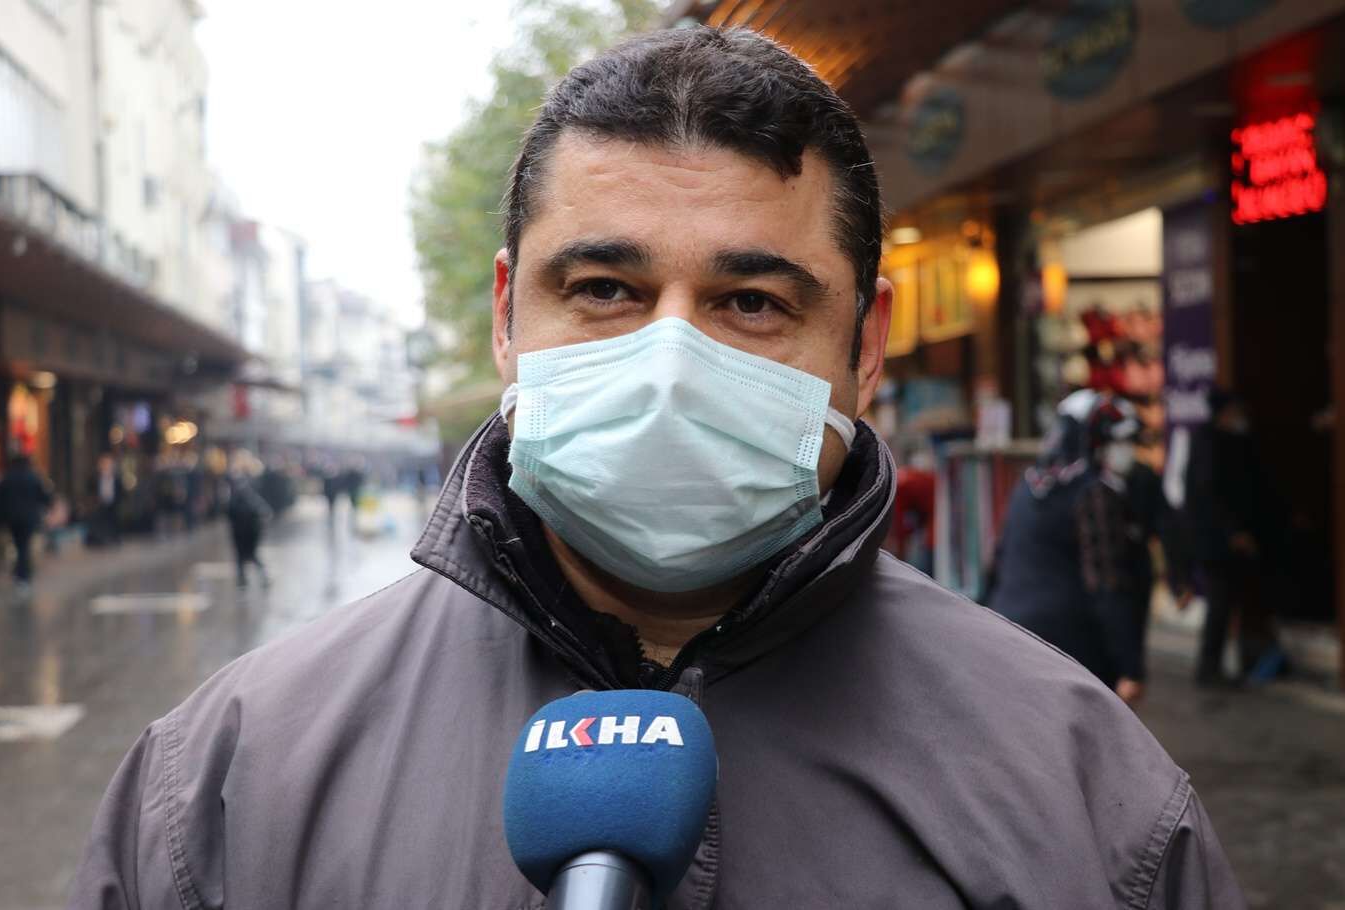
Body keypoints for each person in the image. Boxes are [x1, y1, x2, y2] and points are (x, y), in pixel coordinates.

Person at [69, 28, 1242, 908]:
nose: (670, 366)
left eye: (751, 301)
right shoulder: (226, 784)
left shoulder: (1091, 803)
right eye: (604, 289)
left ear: (867, 342)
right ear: (506, 314)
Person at [988, 395, 1150, 700]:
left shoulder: (1027, 485)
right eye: (1116, 441)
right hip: (1070, 649)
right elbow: (1106, 583)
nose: (1126, 451)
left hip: (1009, 634)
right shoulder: (1093, 493)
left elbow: (996, 564)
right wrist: (1131, 666)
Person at [1185, 388, 1277, 686]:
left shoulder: (1228, 442)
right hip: (1216, 543)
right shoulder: (1210, 445)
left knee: (1229, 603)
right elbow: (1211, 495)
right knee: (1220, 605)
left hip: (1223, 541)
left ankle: (1229, 663)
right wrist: (1233, 532)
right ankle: (1209, 668)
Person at [0, 452, 52, 592]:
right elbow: (45, 497)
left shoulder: (7, 477)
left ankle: (19, 573)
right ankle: (23, 576)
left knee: (19, 545)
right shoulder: (33, 477)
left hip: (12, 518)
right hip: (29, 518)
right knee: (24, 546)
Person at [225, 467, 272, 589]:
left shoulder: (237, 498)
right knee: (249, 556)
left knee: (244, 557)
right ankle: (246, 579)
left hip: (243, 533)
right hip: (247, 533)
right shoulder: (250, 496)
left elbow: (229, 513)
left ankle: (244, 580)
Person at [86, 452, 123, 547]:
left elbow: (121, 494)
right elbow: (90, 493)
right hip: (99, 506)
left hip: (113, 506)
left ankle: (114, 537)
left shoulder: (117, 479)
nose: (106, 466)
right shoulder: (95, 479)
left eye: (109, 464)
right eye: (104, 464)